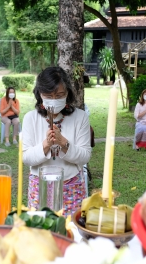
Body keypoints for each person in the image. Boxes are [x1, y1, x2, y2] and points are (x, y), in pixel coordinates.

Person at [22, 67, 91, 217]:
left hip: (71, 185)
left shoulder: (80, 117)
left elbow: (85, 156)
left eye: (59, 95)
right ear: (40, 94)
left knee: (70, 230)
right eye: (48, 95)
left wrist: (63, 143)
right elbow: (26, 158)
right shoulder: (30, 118)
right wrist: (46, 144)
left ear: (67, 94)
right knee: (42, 230)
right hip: (39, 185)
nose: (54, 100)